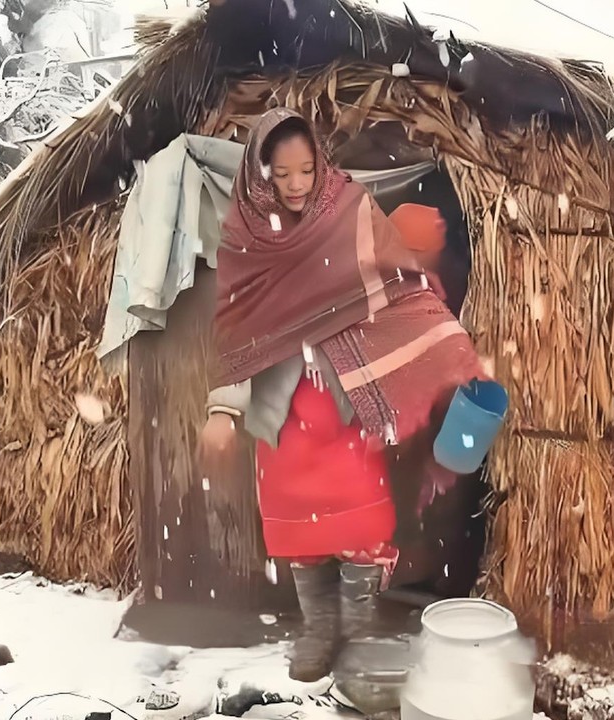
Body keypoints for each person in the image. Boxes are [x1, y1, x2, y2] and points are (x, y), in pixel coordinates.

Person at [199, 108, 486, 682]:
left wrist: (445, 345)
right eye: (283, 174)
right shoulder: (247, 237)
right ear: (261, 174)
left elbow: (398, 286)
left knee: (362, 525)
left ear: (320, 164)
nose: (297, 185)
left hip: (348, 401)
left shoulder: (351, 212)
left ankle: (356, 627)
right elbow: (238, 333)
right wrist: (223, 408)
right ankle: (318, 628)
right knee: (298, 529)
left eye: (307, 170)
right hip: (283, 415)